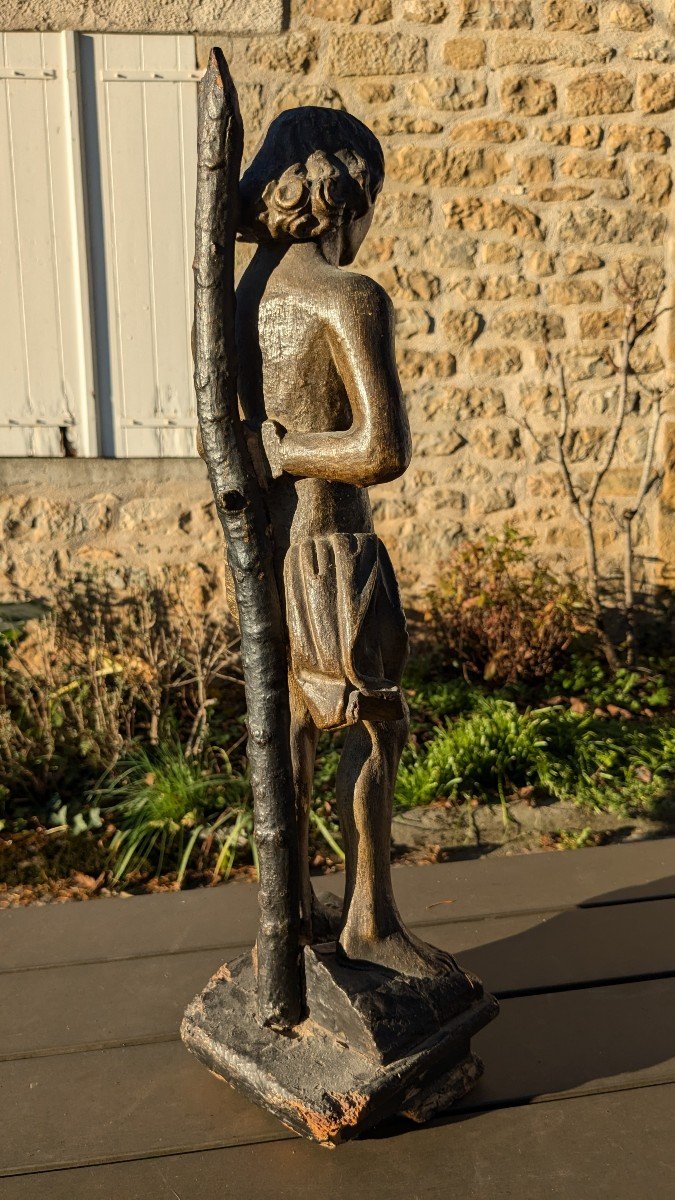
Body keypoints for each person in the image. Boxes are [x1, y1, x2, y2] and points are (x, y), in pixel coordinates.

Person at [235, 107, 462, 979]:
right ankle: (368, 920)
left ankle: (288, 915)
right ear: (345, 194)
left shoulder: (236, 302)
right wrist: (289, 451)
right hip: (333, 550)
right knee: (373, 722)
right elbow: (380, 449)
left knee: (289, 725)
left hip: (268, 551)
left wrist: (269, 460)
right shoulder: (344, 298)